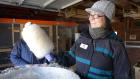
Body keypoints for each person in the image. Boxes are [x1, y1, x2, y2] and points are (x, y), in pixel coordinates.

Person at [58, 0, 132, 79]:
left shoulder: (116, 45)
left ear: (107, 19)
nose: (91, 18)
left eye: (96, 15)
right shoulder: (82, 38)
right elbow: (69, 58)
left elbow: (123, 76)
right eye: (90, 14)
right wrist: (53, 59)